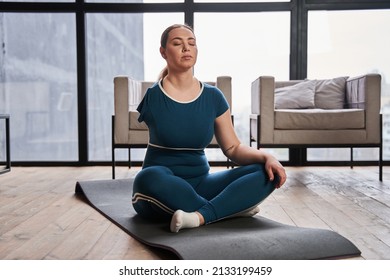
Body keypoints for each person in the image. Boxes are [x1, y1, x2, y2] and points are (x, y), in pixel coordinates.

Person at [132, 23, 286, 233]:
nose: (186, 48)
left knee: (266, 173)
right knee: (147, 178)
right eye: (177, 43)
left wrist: (268, 157)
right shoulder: (154, 96)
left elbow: (233, 149)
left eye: (191, 43)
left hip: (202, 183)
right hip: (162, 188)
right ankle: (227, 209)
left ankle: (198, 217)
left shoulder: (213, 97)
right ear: (163, 52)